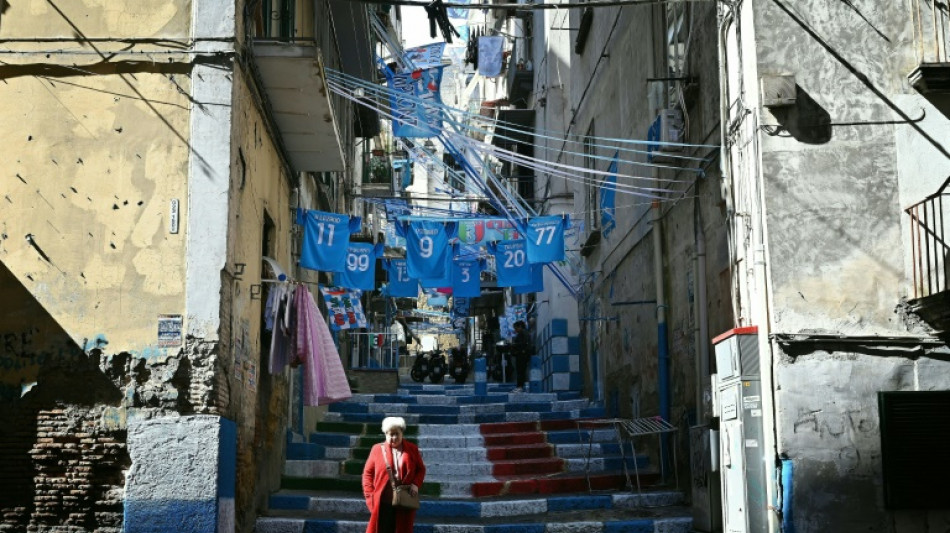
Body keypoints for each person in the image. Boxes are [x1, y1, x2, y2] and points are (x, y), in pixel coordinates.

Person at [362, 416, 426, 533]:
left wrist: (416, 484)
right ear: (386, 434)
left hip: (404, 501)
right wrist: (370, 497)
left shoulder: (412, 449)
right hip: (383, 502)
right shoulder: (376, 449)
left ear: (402, 433)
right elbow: (367, 474)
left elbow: (421, 469)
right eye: (391, 434)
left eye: (397, 433)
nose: (394, 437)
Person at [512, 320, 532, 392]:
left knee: (520, 371)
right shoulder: (524, 333)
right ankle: (520, 386)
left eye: (516, 328)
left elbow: (523, 344)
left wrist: (514, 345)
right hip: (522, 355)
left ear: (520, 327)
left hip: (522, 355)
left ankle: (520, 386)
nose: (515, 330)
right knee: (521, 371)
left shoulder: (523, 333)